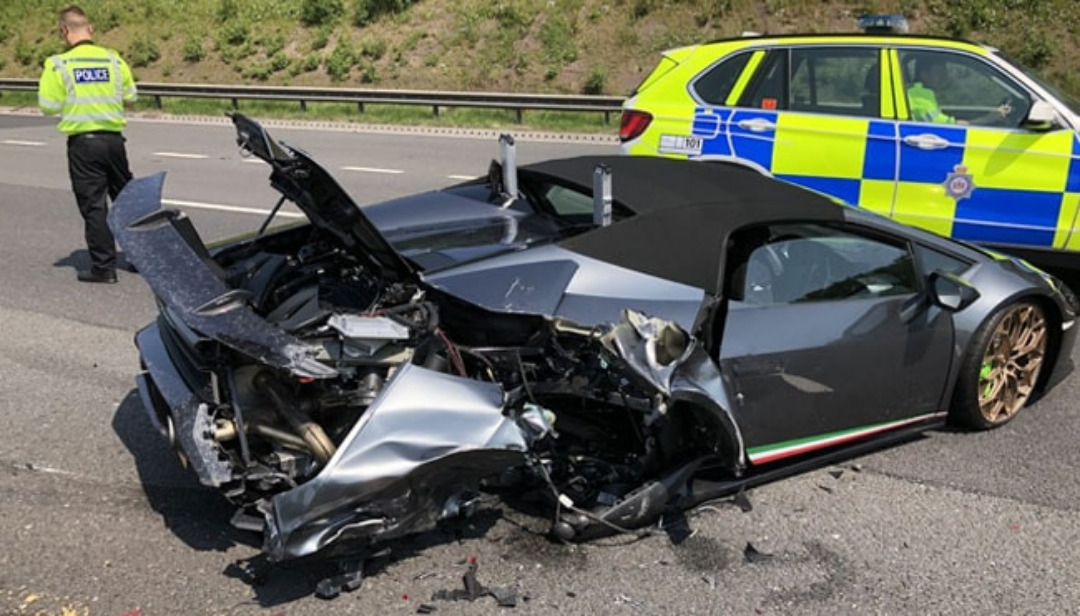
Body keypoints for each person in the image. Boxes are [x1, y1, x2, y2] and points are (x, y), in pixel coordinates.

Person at [38, 5, 137, 284]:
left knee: (94, 206)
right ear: (90, 29)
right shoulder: (113, 60)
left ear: (64, 31)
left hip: (84, 144)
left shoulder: (58, 64)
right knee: (126, 202)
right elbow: (131, 96)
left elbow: (48, 106)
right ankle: (143, 259)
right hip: (115, 142)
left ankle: (104, 268)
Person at [906, 55, 1010, 126]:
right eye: (940, 72)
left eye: (945, 71)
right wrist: (988, 119)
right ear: (924, 75)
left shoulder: (922, 92)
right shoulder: (919, 96)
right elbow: (951, 127)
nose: (945, 76)